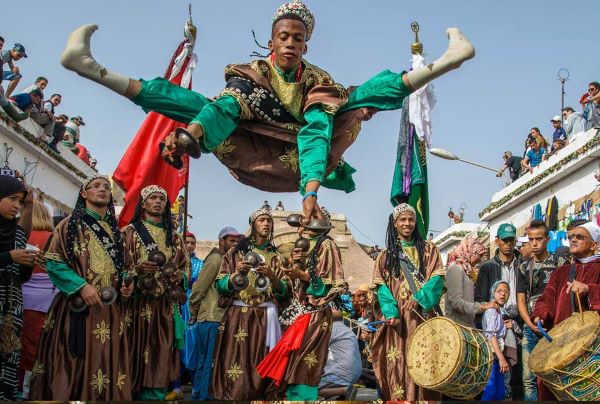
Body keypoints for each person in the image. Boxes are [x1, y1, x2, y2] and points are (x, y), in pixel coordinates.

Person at [59, 1, 475, 222]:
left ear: (305, 45)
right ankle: (93, 69)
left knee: (360, 95)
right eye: (283, 36)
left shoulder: (317, 80)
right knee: (191, 102)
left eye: (298, 37)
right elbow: (226, 108)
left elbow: (315, 132)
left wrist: (310, 192)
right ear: (272, 42)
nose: (290, 43)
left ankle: (444, 63)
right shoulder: (251, 73)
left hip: (298, 161)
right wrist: (192, 137)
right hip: (249, 145)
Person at [29, 175, 134, 400]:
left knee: (106, 363)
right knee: (73, 363)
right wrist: (81, 286)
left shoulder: (117, 232)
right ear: (84, 194)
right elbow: (53, 262)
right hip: (76, 309)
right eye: (95, 186)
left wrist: (126, 283)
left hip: (109, 311)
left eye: (106, 187)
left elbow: (121, 268)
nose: (102, 189)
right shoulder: (69, 225)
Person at [257, 207, 345, 400]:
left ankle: (303, 398)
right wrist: (292, 266)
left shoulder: (327, 245)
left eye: (313, 218)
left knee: (306, 362)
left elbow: (330, 283)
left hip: (315, 313)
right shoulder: (303, 245)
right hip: (298, 312)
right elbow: (291, 287)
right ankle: (292, 397)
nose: (306, 221)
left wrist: (303, 275)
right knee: (292, 359)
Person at [369, 203, 445, 401]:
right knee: (398, 365)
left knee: (426, 362)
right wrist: (391, 313)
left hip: (423, 319)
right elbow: (382, 290)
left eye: (411, 219)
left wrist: (419, 297)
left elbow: (437, 280)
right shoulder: (385, 257)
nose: (407, 223)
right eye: (402, 219)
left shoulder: (429, 250)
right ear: (395, 223)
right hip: (399, 324)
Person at [212, 207, 288, 400]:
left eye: (269, 221)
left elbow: (285, 294)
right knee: (235, 364)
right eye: (261, 220)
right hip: (239, 315)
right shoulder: (235, 252)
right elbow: (220, 285)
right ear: (253, 224)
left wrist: (271, 275)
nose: (266, 224)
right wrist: (237, 275)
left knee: (260, 364)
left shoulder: (278, 257)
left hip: (265, 318)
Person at [121, 185, 188, 400]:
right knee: (131, 356)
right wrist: (135, 271)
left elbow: (185, 267)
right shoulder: (128, 233)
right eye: (153, 198)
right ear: (144, 203)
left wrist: (181, 277)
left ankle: (156, 396)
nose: (158, 201)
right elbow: (117, 267)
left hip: (163, 308)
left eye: (162, 198)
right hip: (135, 307)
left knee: (160, 357)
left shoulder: (175, 238)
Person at [532, 220, 600, 400]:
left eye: (579, 236)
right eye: (570, 237)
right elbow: (548, 297)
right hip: (562, 344)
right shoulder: (562, 272)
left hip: (593, 346)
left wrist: (589, 289)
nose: (573, 240)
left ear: (594, 244)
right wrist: (539, 314)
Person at [188, 226, 242, 400]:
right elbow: (200, 287)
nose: (235, 244)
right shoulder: (216, 259)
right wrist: (194, 311)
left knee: (213, 360)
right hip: (211, 316)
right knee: (208, 359)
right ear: (222, 241)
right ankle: (202, 395)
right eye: (231, 241)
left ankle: (205, 393)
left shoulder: (229, 259)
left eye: (237, 241)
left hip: (220, 317)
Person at [516, 220, 565, 401]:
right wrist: (529, 323)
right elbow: (521, 299)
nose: (534, 244)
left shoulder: (560, 263)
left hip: (554, 326)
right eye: (531, 239)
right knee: (528, 378)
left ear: (548, 238)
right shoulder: (523, 267)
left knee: (554, 374)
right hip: (530, 328)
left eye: (539, 239)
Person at [0, 175, 35, 400]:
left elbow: (20, 276)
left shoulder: (18, 233)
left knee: (8, 360)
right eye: (12, 198)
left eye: (20, 202)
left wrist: (27, 264)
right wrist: (8, 257)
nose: (16, 206)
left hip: (12, 308)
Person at [19, 201, 59, 398]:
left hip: (21, 297)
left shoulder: (21, 236)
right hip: (49, 300)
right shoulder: (54, 238)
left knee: (21, 342)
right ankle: (31, 388)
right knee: (40, 345)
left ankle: (19, 388)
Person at [444, 236, 496, 327]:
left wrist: (487, 304)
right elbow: (456, 303)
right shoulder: (455, 269)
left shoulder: (466, 270)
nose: (480, 259)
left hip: (466, 325)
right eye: (479, 255)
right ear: (470, 252)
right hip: (457, 326)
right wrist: (482, 307)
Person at [481, 281, 513, 401]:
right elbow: (491, 336)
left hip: (498, 356)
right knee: (490, 391)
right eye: (499, 291)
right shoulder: (491, 311)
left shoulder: (501, 312)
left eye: (506, 292)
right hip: (491, 356)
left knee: (500, 392)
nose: (503, 294)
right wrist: (501, 358)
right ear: (493, 293)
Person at [318, 308, 362, 390]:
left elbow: (316, 349)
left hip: (338, 375)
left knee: (309, 389)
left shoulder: (331, 330)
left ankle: (343, 391)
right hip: (353, 375)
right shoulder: (347, 330)